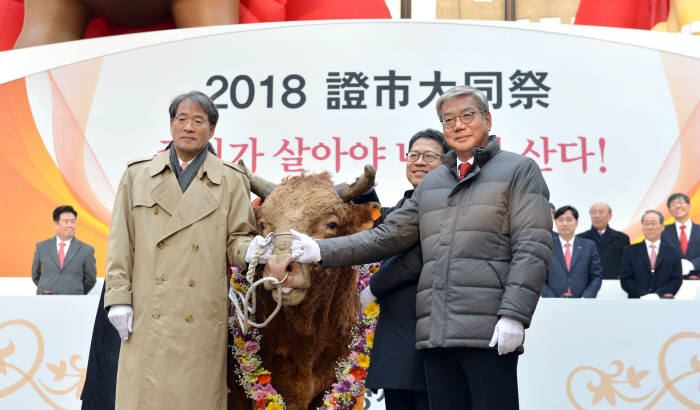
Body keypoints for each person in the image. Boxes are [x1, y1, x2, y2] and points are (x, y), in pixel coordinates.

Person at [289, 86, 552, 409]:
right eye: (448, 119)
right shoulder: (434, 182)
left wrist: (514, 315)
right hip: (435, 335)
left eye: (467, 115)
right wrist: (320, 250)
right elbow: (387, 237)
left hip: (487, 331)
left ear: (488, 119)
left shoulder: (518, 171)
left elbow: (532, 248)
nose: (458, 125)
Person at [103, 91, 257, 410]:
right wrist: (119, 299)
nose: (189, 127)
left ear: (211, 130)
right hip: (148, 311)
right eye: (182, 119)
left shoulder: (230, 180)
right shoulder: (137, 175)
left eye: (198, 121)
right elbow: (121, 243)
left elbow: (237, 242)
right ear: (171, 125)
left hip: (200, 313)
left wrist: (256, 250)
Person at [363, 129, 449, 410]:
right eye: (414, 155)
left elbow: (418, 257)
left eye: (429, 156)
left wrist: (371, 290)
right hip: (396, 346)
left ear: (447, 162)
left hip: (435, 344)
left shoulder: (453, 206)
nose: (419, 161)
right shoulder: (395, 211)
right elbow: (366, 234)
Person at [31, 205, 96, 295]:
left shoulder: (86, 250)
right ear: (56, 224)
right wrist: (48, 288)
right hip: (46, 300)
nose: (70, 225)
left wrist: (76, 291)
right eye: (66, 221)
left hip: (74, 302)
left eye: (73, 222)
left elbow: (90, 279)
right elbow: (36, 276)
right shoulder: (42, 247)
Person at [542, 205, 602, 298]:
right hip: (553, 303)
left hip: (582, 302)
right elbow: (539, 277)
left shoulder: (589, 246)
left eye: (569, 220)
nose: (565, 224)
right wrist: (552, 299)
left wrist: (586, 298)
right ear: (555, 222)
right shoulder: (546, 246)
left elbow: (596, 276)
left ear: (577, 223)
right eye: (560, 220)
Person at [620, 210, 682, 299]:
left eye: (653, 223)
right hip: (637, 302)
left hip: (664, 302)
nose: (649, 227)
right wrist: (642, 294)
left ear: (662, 227)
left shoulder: (673, 252)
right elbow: (625, 279)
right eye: (646, 224)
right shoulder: (630, 250)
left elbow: (676, 279)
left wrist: (657, 295)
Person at [577, 202, 630, 279]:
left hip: (614, 284)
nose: (597, 216)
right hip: (588, 284)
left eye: (601, 212)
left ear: (610, 216)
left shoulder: (622, 238)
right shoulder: (580, 239)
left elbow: (627, 264)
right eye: (594, 213)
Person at [661, 193, 700, 279]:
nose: (678, 206)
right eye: (673, 204)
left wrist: (691, 265)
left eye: (681, 202)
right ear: (670, 210)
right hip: (670, 280)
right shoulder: (662, 231)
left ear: (689, 206)